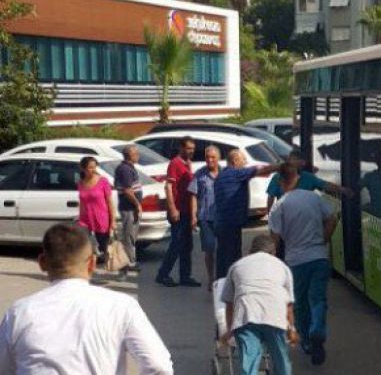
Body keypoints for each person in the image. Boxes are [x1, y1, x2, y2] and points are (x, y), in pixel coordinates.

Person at [0, 223, 173, 374]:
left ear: (42, 263)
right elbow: (158, 366)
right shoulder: (121, 306)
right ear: (91, 263)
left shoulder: (19, 313)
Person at [269, 163, 338, 366]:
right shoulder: (313, 198)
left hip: (296, 261)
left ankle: (307, 340)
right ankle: (318, 330)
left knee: (299, 302)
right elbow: (332, 219)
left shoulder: (279, 206)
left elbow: (275, 238)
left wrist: (273, 262)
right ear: (297, 178)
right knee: (318, 298)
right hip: (319, 257)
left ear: (281, 182)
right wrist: (323, 239)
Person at [220, 235, 297, 375]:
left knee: (248, 365)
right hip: (275, 317)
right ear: (274, 252)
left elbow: (229, 303)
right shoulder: (282, 267)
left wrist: (229, 329)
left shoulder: (237, 266)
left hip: (246, 316)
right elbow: (288, 306)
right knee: (281, 362)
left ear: (250, 251)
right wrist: (292, 329)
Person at [265, 151, 351, 261]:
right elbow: (271, 197)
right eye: (292, 160)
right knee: (282, 249)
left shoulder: (308, 178)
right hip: (286, 221)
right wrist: (270, 217)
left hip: (304, 222)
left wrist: (342, 190)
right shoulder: (278, 177)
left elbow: (325, 185)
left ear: (302, 163)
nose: (293, 163)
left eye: (297, 160)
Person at [214, 149, 280, 279]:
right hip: (230, 222)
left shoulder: (222, 175)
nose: (245, 163)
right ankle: (232, 282)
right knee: (232, 256)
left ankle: (221, 283)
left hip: (222, 222)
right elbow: (262, 170)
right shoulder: (235, 173)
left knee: (223, 255)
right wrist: (283, 166)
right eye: (243, 160)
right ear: (235, 161)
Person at [156, 136, 200, 287]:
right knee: (176, 244)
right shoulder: (175, 163)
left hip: (187, 209)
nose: (191, 151)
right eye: (188, 148)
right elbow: (168, 187)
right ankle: (163, 274)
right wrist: (173, 209)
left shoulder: (188, 163)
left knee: (187, 245)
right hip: (178, 210)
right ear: (181, 148)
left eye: (193, 149)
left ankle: (185, 276)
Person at [188, 145, 222, 290]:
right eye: (207, 157)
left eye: (213, 157)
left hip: (222, 218)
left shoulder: (225, 173)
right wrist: (193, 216)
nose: (210, 160)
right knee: (209, 249)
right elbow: (193, 196)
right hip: (206, 218)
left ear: (218, 158)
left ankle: (222, 279)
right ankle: (211, 278)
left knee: (222, 250)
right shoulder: (199, 174)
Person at [77, 156, 115, 262]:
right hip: (86, 219)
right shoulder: (81, 183)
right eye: (90, 167)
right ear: (83, 169)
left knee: (103, 247)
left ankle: (105, 263)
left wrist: (113, 221)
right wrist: (80, 218)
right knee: (85, 244)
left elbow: (110, 202)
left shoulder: (103, 181)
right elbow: (82, 202)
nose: (93, 170)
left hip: (101, 218)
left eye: (94, 167)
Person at [114, 145, 142, 273]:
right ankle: (129, 262)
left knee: (132, 235)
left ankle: (130, 260)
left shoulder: (130, 167)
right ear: (130, 155)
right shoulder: (124, 169)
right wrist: (137, 204)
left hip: (132, 207)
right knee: (129, 235)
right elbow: (127, 190)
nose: (138, 155)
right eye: (136, 153)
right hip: (128, 207)